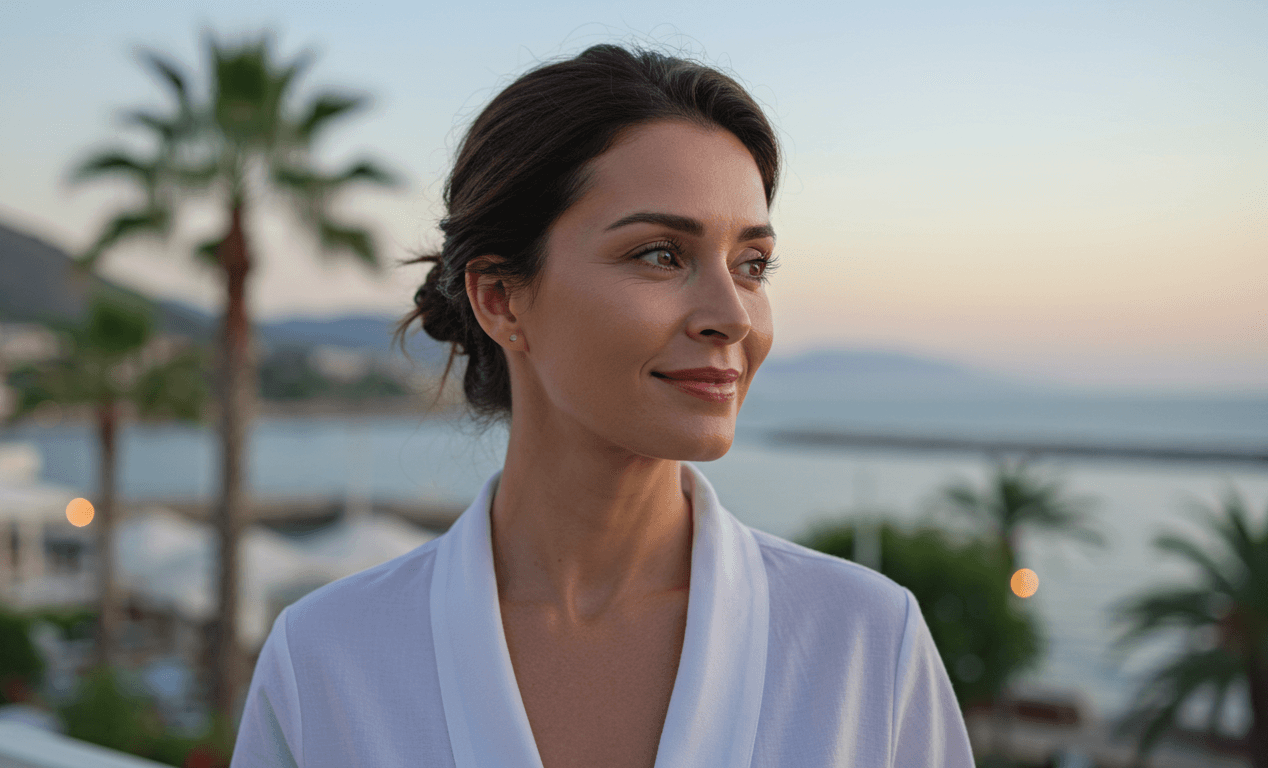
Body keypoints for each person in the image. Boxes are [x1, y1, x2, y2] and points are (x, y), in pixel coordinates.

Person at [230, 42, 974, 768]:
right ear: (501, 298)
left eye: (751, 264)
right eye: (660, 254)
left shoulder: (866, 645)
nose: (733, 315)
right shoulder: (327, 661)